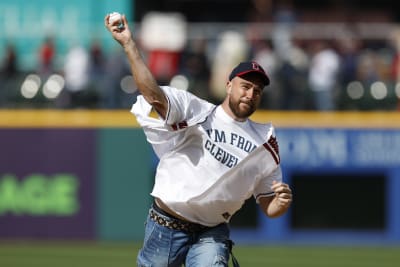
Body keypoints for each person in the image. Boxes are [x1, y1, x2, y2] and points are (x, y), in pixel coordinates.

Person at [105, 14, 292, 267]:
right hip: (167, 224)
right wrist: (129, 45)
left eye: (257, 91)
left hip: (212, 231)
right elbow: (153, 94)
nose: (251, 94)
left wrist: (279, 204)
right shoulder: (197, 110)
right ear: (228, 86)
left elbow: (269, 205)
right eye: (245, 86)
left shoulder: (266, 140)